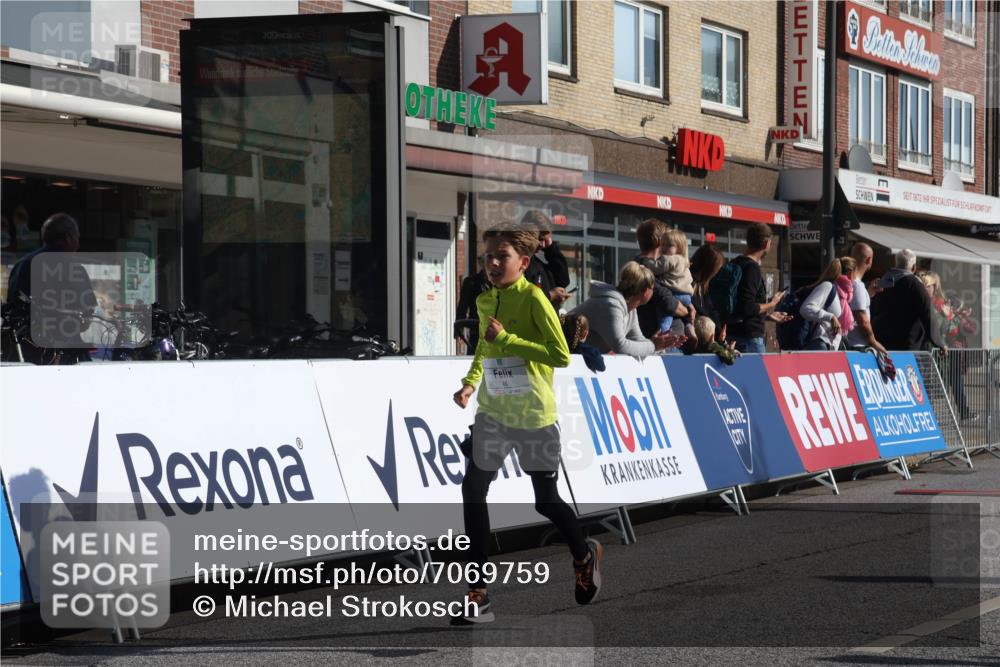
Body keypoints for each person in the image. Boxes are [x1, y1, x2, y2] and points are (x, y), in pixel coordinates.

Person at [452, 222, 601, 625]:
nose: (494, 263)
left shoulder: (535, 299)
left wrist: (511, 342)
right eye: (488, 257)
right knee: (473, 491)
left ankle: (584, 553)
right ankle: (478, 594)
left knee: (545, 501)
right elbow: (485, 346)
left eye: (502, 257)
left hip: (534, 415)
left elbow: (559, 355)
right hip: (494, 414)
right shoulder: (485, 302)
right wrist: (470, 383)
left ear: (524, 261)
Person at [6, 213, 96, 361]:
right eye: (77, 238)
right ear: (67, 238)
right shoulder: (74, 269)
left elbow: (12, 312)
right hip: (65, 355)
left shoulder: (22, 265)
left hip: (24, 354)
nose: (78, 245)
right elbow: (86, 318)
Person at [569, 262, 685, 360]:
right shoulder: (610, 306)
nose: (653, 292)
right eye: (652, 288)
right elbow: (620, 346)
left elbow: (638, 339)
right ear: (645, 291)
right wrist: (653, 345)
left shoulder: (630, 309)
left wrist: (661, 345)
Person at [919, 270, 977, 420]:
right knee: (933, 385)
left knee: (944, 384)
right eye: (922, 284)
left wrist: (957, 317)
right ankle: (931, 417)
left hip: (943, 350)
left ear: (934, 286)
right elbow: (946, 328)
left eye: (927, 284)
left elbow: (952, 328)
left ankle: (958, 413)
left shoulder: (939, 303)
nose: (924, 287)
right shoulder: (931, 302)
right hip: (936, 351)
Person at [724, 223, 790, 354]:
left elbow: (740, 306)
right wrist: (772, 303)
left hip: (732, 334)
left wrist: (769, 316)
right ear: (766, 244)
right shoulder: (752, 268)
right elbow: (748, 307)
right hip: (749, 338)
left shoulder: (734, 263)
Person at [871, 249, 947, 352]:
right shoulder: (914, 284)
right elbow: (927, 312)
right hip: (906, 344)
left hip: (881, 341)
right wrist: (939, 343)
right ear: (914, 267)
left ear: (896, 263)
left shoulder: (884, 280)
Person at [633, 218, 688, 338]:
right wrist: (687, 310)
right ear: (659, 241)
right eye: (667, 240)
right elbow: (669, 302)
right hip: (663, 342)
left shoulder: (654, 267)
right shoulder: (643, 269)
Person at [799, 257, 857, 351]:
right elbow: (806, 308)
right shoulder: (828, 286)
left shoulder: (843, 294)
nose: (855, 280)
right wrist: (831, 317)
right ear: (850, 274)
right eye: (856, 276)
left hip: (831, 347)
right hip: (820, 344)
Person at [521, 210, 571, 310]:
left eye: (545, 240)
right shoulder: (518, 263)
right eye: (540, 239)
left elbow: (563, 280)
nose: (543, 245)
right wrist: (549, 296)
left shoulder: (538, 264)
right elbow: (520, 299)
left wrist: (551, 247)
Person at [845, 243, 886, 353]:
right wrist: (874, 342)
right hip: (859, 346)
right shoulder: (857, 285)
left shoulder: (850, 282)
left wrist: (868, 293)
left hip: (851, 344)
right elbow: (862, 320)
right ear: (869, 260)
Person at [690, 243, 726, 339]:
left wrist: (720, 332)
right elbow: (701, 310)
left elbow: (711, 310)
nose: (717, 273)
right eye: (716, 269)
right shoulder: (689, 282)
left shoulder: (702, 285)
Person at [455, 260, 490, 353]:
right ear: (483, 266)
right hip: (476, 328)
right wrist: (459, 331)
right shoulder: (471, 282)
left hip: (494, 330)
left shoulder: (499, 283)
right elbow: (462, 307)